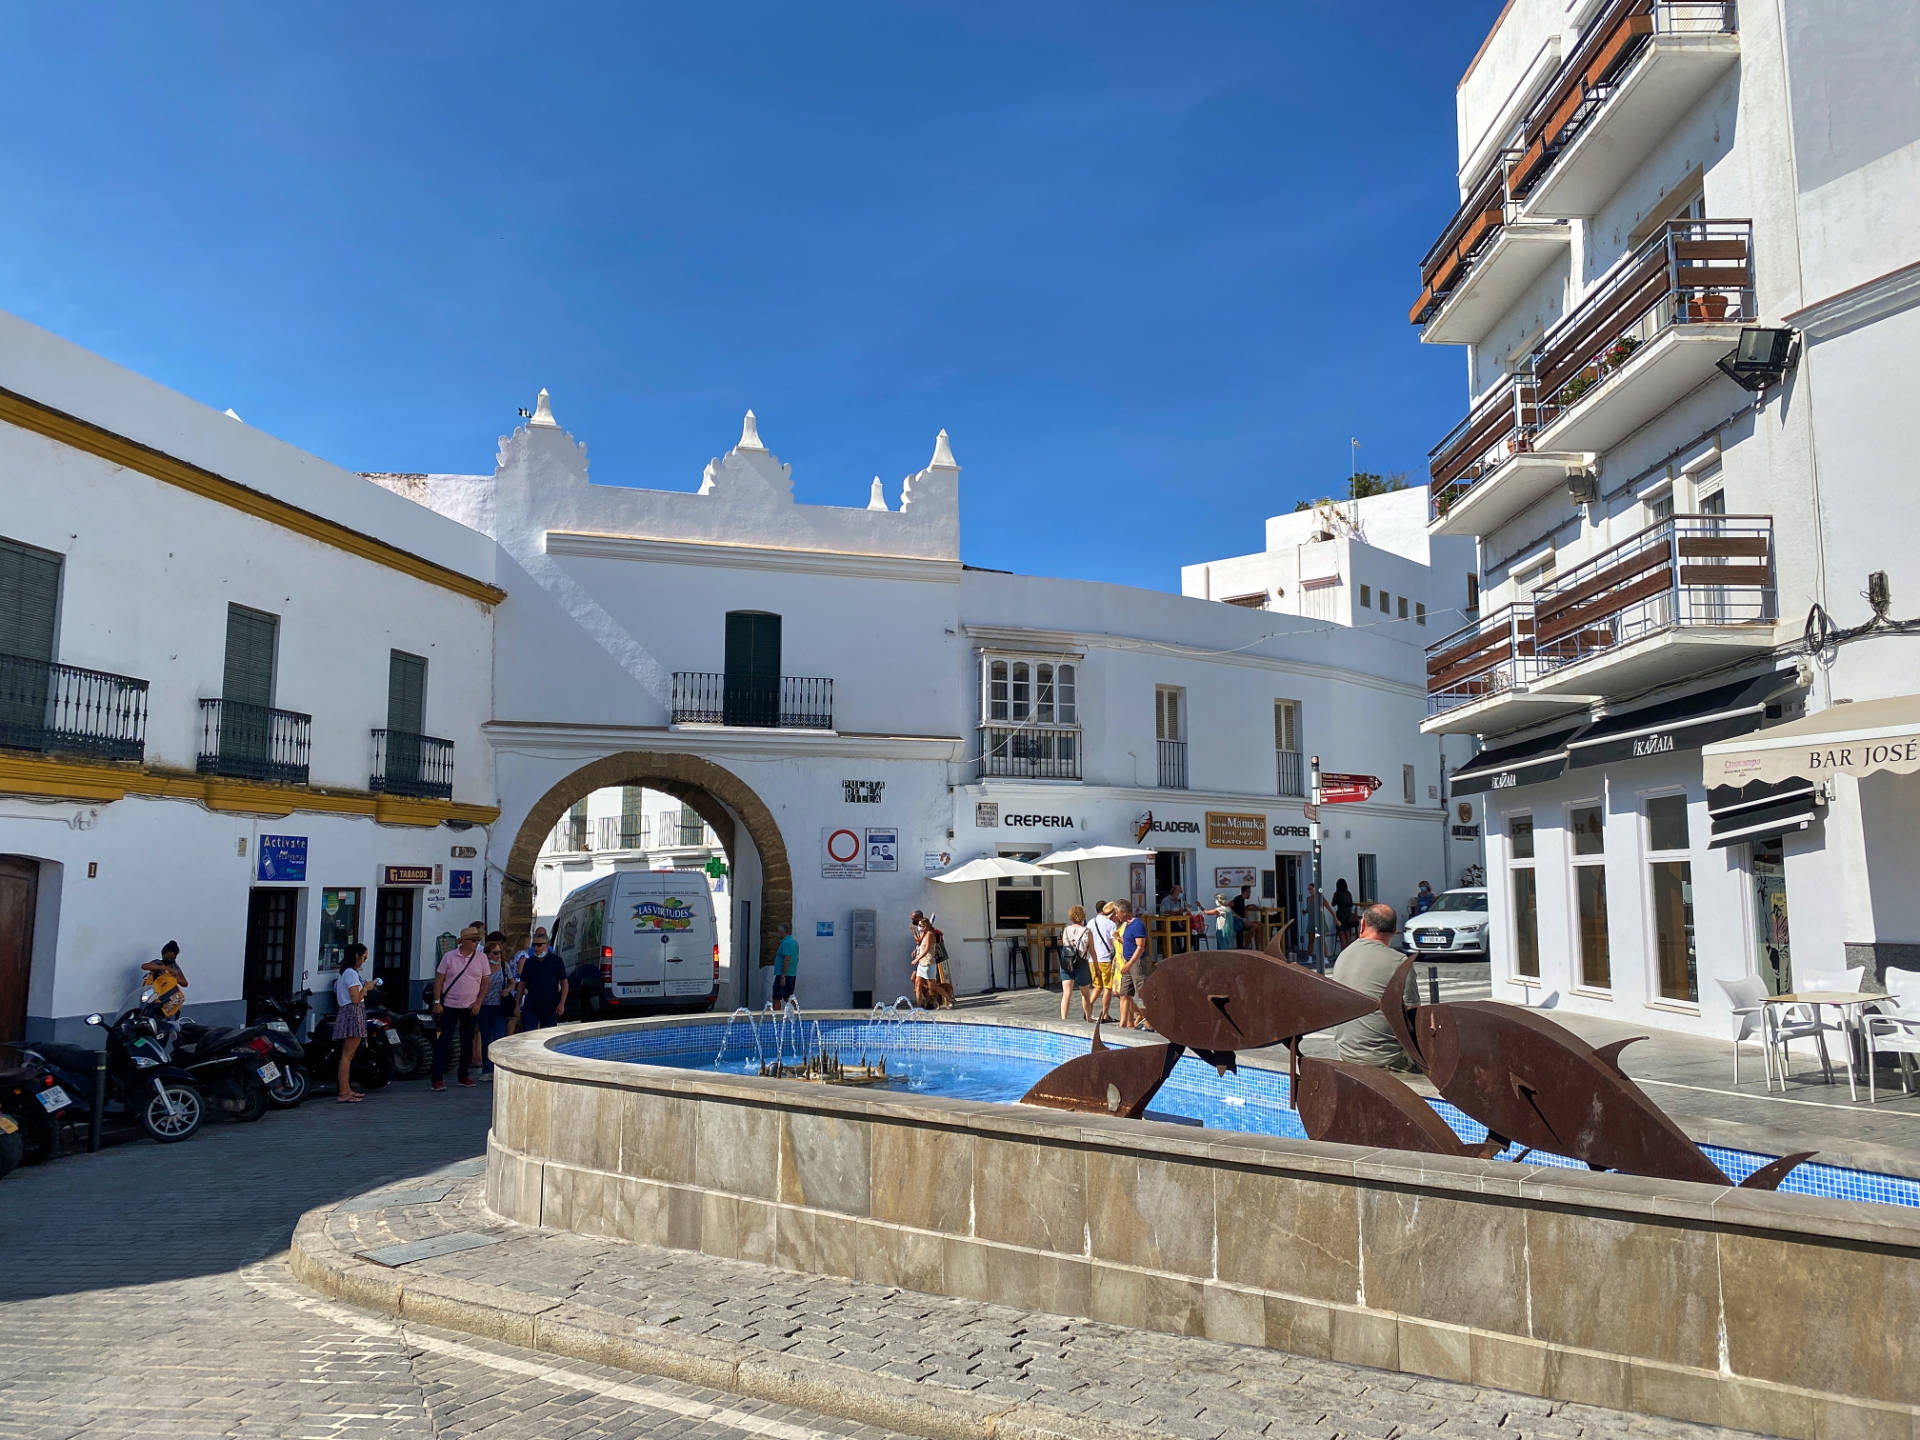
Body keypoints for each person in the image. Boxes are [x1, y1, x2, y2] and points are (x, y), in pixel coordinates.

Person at [1330, 903, 1414, 1068]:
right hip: (1386, 1058)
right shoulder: (1399, 962)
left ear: (1362, 924)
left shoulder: (1343, 955)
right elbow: (1413, 1016)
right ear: (1394, 930)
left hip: (1346, 1051)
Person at [430, 924, 489, 1091]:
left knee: (467, 1042)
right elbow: (439, 980)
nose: (476, 943)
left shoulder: (481, 958)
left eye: (478, 940)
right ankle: (437, 1078)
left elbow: (485, 982)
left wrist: (478, 1002)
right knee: (444, 1040)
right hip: (449, 1005)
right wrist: (437, 1002)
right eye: (473, 940)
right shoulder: (449, 957)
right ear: (463, 942)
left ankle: (463, 1075)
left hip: (471, 1007)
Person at [332, 942, 369, 1103]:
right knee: (347, 1055)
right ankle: (343, 1092)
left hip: (349, 1012)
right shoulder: (350, 974)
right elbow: (355, 998)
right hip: (353, 1013)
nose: (364, 961)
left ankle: (346, 1089)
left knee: (349, 1054)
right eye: (363, 957)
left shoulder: (345, 973)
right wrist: (367, 987)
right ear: (356, 956)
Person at [476, 933, 515, 1078]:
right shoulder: (480, 968)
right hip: (484, 1007)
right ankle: (487, 1069)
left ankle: (497, 1069)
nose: (499, 955)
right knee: (486, 1038)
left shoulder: (504, 966)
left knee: (497, 1038)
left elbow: (512, 982)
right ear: (487, 954)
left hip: (500, 1007)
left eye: (500, 952)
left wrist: (508, 990)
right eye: (495, 953)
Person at [518, 927, 570, 1032]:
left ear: (546, 945)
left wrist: (562, 1003)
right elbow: (522, 984)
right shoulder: (529, 962)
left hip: (550, 1006)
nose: (536, 948)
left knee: (546, 1035)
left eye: (539, 945)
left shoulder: (556, 961)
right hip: (531, 1006)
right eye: (534, 945)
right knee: (529, 1034)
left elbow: (564, 983)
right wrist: (517, 1004)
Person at [1114, 900, 1152, 1031]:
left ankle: (1150, 1022)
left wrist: (1129, 964)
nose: (1116, 915)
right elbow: (1131, 942)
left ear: (1124, 912)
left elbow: (1140, 947)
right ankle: (1123, 1023)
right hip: (1128, 963)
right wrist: (1120, 939)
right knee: (1124, 993)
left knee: (1143, 994)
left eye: (1117, 912)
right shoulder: (1127, 925)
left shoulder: (1137, 925)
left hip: (1137, 963)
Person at [1058, 905, 1094, 1021]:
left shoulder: (1066, 930)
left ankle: (1064, 1019)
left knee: (1066, 993)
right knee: (1085, 994)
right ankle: (1088, 1018)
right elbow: (1092, 950)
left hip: (1067, 962)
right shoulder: (1087, 931)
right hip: (1081, 962)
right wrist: (1096, 967)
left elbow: (1065, 945)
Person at [1087, 901, 1119, 1023]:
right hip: (1105, 959)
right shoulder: (1110, 923)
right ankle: (1105, 1014)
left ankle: (1087, 1009)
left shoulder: (1091, 922)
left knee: (1097, 986)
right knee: (1108, 987)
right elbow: (1114, 942)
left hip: (1092, 959)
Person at [908, 911, 938, 1009]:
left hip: (926, 960)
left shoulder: (922, 926)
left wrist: (913, 932)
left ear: (919, 917)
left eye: (914, 918)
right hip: (921, 960)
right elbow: (921, 944)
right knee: (917, 982)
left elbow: (919, 941)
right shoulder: (922, 926)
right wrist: (916, 949)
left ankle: (931, 1001)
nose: (912, 920)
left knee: (927, 984)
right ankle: (921, 1005)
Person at [771, 922, 800, 1007]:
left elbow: (787, 959)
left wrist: (783, 976)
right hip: (791, 974)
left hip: (783, 975)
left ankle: (776, 1018)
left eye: (779, 932)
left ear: (784, 932)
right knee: (787, 997)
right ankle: (796, 1013)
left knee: (776, 997)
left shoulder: (786, 943)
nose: (778, 934)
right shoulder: (794, 942)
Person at [1333, 879, 1358, 947]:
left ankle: (1343, 951)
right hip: (1348, 915)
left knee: (1342, 935)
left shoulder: (1337, 894)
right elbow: (1351, 904)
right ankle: (1348, 951)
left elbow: (1333, 903)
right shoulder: (1348, 894)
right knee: (1348, 935)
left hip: (1340, 915)